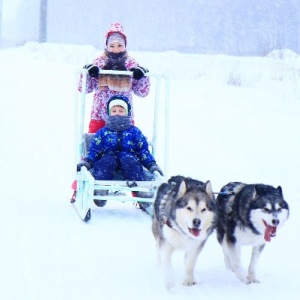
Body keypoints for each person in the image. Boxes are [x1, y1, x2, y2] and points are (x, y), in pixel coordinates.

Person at [76, 95, 163, 209]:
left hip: (128, 158)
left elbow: (142, 150)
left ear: (127, 113)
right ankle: (101, 190)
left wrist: (151, 164)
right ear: (109, 113)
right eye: (114, 110)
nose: (117, 113)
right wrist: (87, 161)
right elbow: (95, 150)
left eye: (121, 111)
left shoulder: (134, 132)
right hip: (108, 157)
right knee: (105, 163)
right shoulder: (103, 132)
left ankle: (140, 190)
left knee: (131, 162)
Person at [78, 22, 150, 133]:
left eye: (119, 45)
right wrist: (87, 73)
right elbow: (83, 88)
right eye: (112, 46)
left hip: (124, 118)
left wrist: (142, 76)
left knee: (125, 147)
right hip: (100, 117)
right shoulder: (99, 63)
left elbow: (142, 92)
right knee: (96, 147)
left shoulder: (131, 64)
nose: (116, 49)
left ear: (125, 45)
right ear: (106, 46)